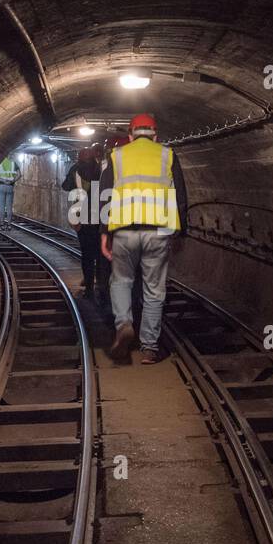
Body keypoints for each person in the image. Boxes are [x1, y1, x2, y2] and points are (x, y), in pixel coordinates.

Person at [100, 114, 187, 364]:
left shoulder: (116, 157)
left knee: (121, 281)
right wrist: (181, 232)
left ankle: (124, 324)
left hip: (124, 230)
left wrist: (104, 234)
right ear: (155, 135)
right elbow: (179, 195)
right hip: (158, 230)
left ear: (130, 135)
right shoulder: (167, 155)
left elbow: (105, 197)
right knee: (154, 289)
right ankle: (149, 348)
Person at [61, 145, 108, 302]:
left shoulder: (76, 169)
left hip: (83, 217)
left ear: (79, 158)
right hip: (102, 216)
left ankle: (89, 288)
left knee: (87, 256)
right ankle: (103, 288)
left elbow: (66, 186)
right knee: (101, 255)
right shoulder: (102, 168)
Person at [0, 155, 20, 227]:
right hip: (10, 186)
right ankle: (9, 225)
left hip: (1, 186)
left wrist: (2, 180)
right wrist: (13, 180)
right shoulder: (13, 163)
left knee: (2, 207)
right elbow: (19, 175)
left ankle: (2, 224)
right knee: (9, 207)